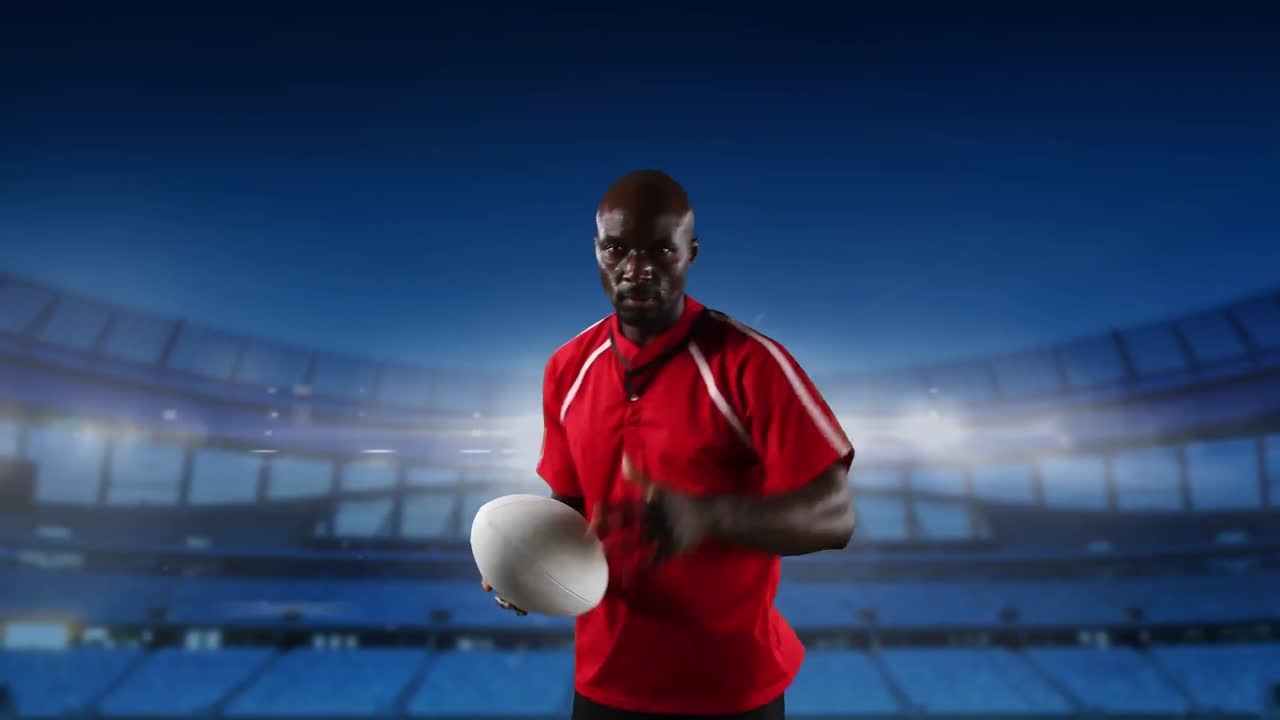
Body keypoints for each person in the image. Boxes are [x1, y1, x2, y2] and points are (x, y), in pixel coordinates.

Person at [482, 169, 856, 719]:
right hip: (604, 686)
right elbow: (573, 504)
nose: (637, 269)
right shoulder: (566, 369)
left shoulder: (750, 365)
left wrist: (708, 518)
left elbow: (835, 517)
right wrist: (524, 557)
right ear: (596, 250)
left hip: (732, 692)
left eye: (660, 249)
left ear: (692, 252)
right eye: (617, 249)